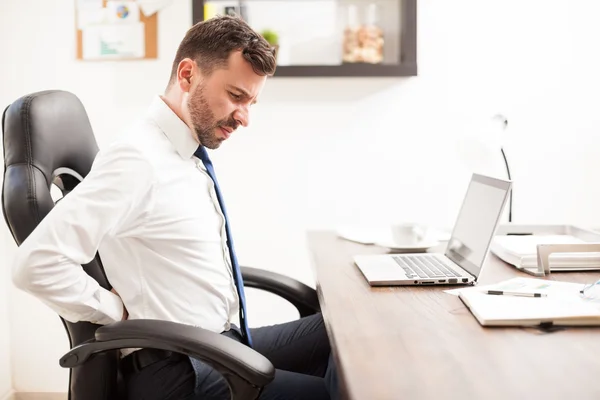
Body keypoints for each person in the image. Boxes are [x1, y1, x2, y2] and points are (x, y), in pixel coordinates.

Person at [12, 15, 338, 400]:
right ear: (187, 75)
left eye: (251, 102)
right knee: (333, 392)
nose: (245, 117)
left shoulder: (184, 152)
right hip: (180, 372)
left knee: (346, 331)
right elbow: (35, 264)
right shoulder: (138, 159)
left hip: (219, 344)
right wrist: (114, 312)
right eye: (236, 96)